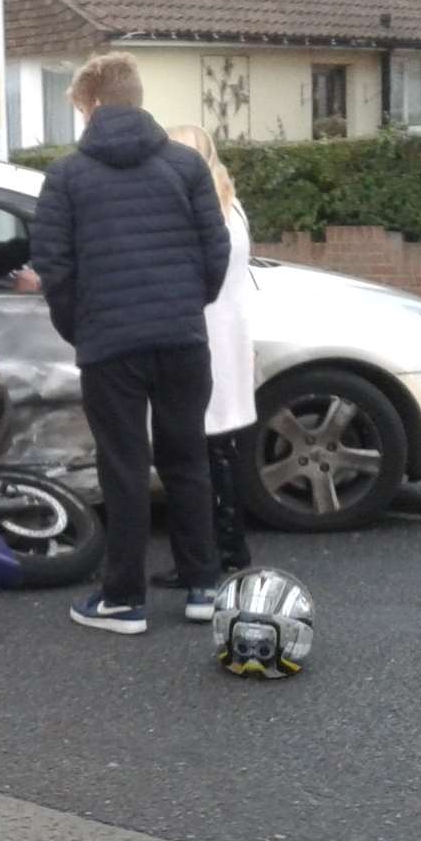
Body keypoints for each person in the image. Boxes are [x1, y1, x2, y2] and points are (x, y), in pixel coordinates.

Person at [27, 52, 231, 635]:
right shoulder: (187, 166)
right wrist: (189, 307)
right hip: (182, 339)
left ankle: (124, 599)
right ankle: (203, 586)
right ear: (137, 98)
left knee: (123, 468)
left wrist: (80, 327)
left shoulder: (66, 176)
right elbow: (214, 252)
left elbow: (54, 267)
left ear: (89, 104)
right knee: (187, 458)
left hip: (110, 344)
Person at [152, 125, 255, 584]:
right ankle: (230, 546)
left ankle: (210, 554)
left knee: (199, 456)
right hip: (226, 337)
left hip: (204, 338)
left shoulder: (200, 211)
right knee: (220, 451)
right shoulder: (231, 204)